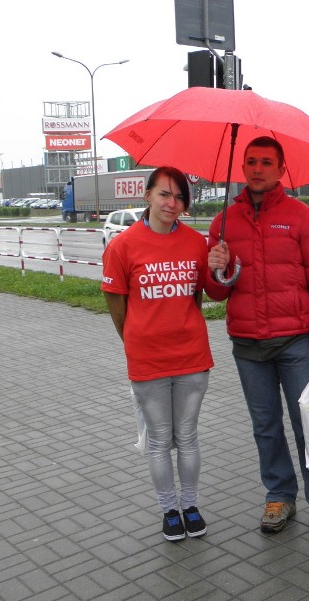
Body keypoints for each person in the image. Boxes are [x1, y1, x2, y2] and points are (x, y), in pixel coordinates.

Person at [204, 136, 309, 537]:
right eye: (251, 162)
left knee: (308, 425)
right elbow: (217, 293)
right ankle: (279, 494)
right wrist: (215, 267)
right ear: (242, 168)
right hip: (248, 345)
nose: (257, 168)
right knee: (265, 426)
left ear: (280, 169)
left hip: (296, 342)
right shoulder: (224, 222)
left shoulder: (302, 218)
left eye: (266, 162)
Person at [102, 166, 213, 542]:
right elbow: (115, 302)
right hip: (147, 359)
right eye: (164, 194)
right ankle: (169, 509)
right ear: (147, 195)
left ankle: (191, 506)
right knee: (159, 438)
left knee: (188, 436)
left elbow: (198, 296)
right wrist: (135, 337)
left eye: (180, 197)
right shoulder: (122, 245)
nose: (172, 203)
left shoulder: (195, 243)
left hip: (192, 357)